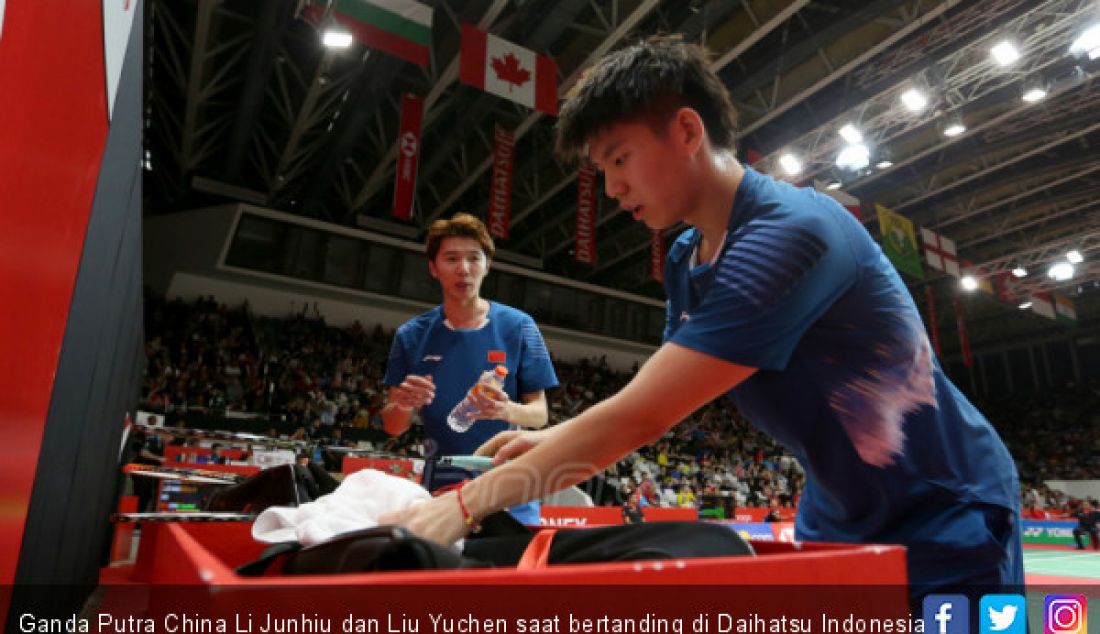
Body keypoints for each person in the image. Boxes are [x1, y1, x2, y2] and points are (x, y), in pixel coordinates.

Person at [379, 35, 1023, 596]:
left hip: (945, 511)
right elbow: (658, 397)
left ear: (687, 131)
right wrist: (547, 442)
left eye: (619, 158)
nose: (611, 188)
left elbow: (642, 416)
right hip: (837, 515)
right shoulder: (688, 259)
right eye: (602, 169)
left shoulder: (791, 235)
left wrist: (462, 506)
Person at [381, 213, 559, 525]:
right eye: (451, 259)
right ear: (433, 268)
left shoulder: (520, 327)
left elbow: (540, 414)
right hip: (443, 486)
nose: (463, 269)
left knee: (510, 568)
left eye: (473, 258)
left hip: (510, 483)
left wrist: (507, 410)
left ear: (487, 265)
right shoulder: (411, 335)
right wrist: (405, 405)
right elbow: (393, 426)